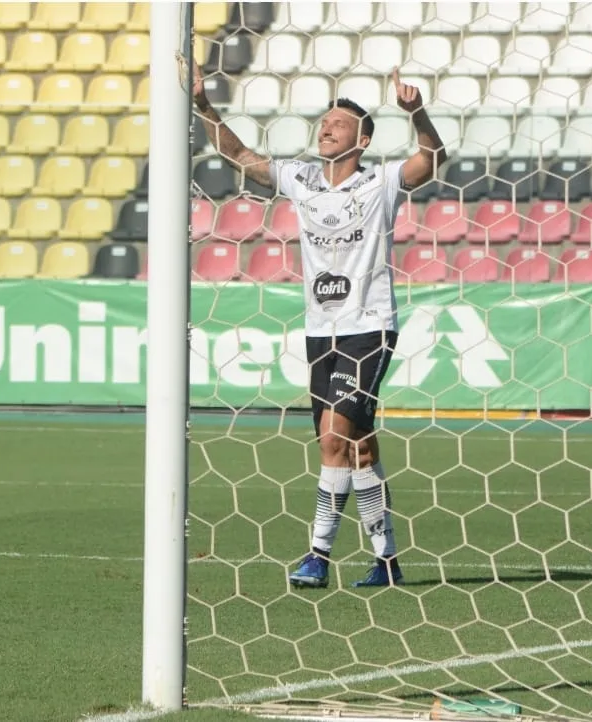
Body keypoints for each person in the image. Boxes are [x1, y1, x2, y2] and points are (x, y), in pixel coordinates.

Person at [180, 54, 447, 588]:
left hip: (369, 325)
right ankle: (387, 560)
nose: (327, 126)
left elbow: (432, 160)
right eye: (325, 120)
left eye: (340, 123)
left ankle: (317, 556)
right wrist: (202, 104)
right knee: (357, 446)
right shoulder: (301, 178)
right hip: (320, 330)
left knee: (331, 440)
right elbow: (239, 154)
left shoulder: (381, 182)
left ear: (362, 141)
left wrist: (417, 115)